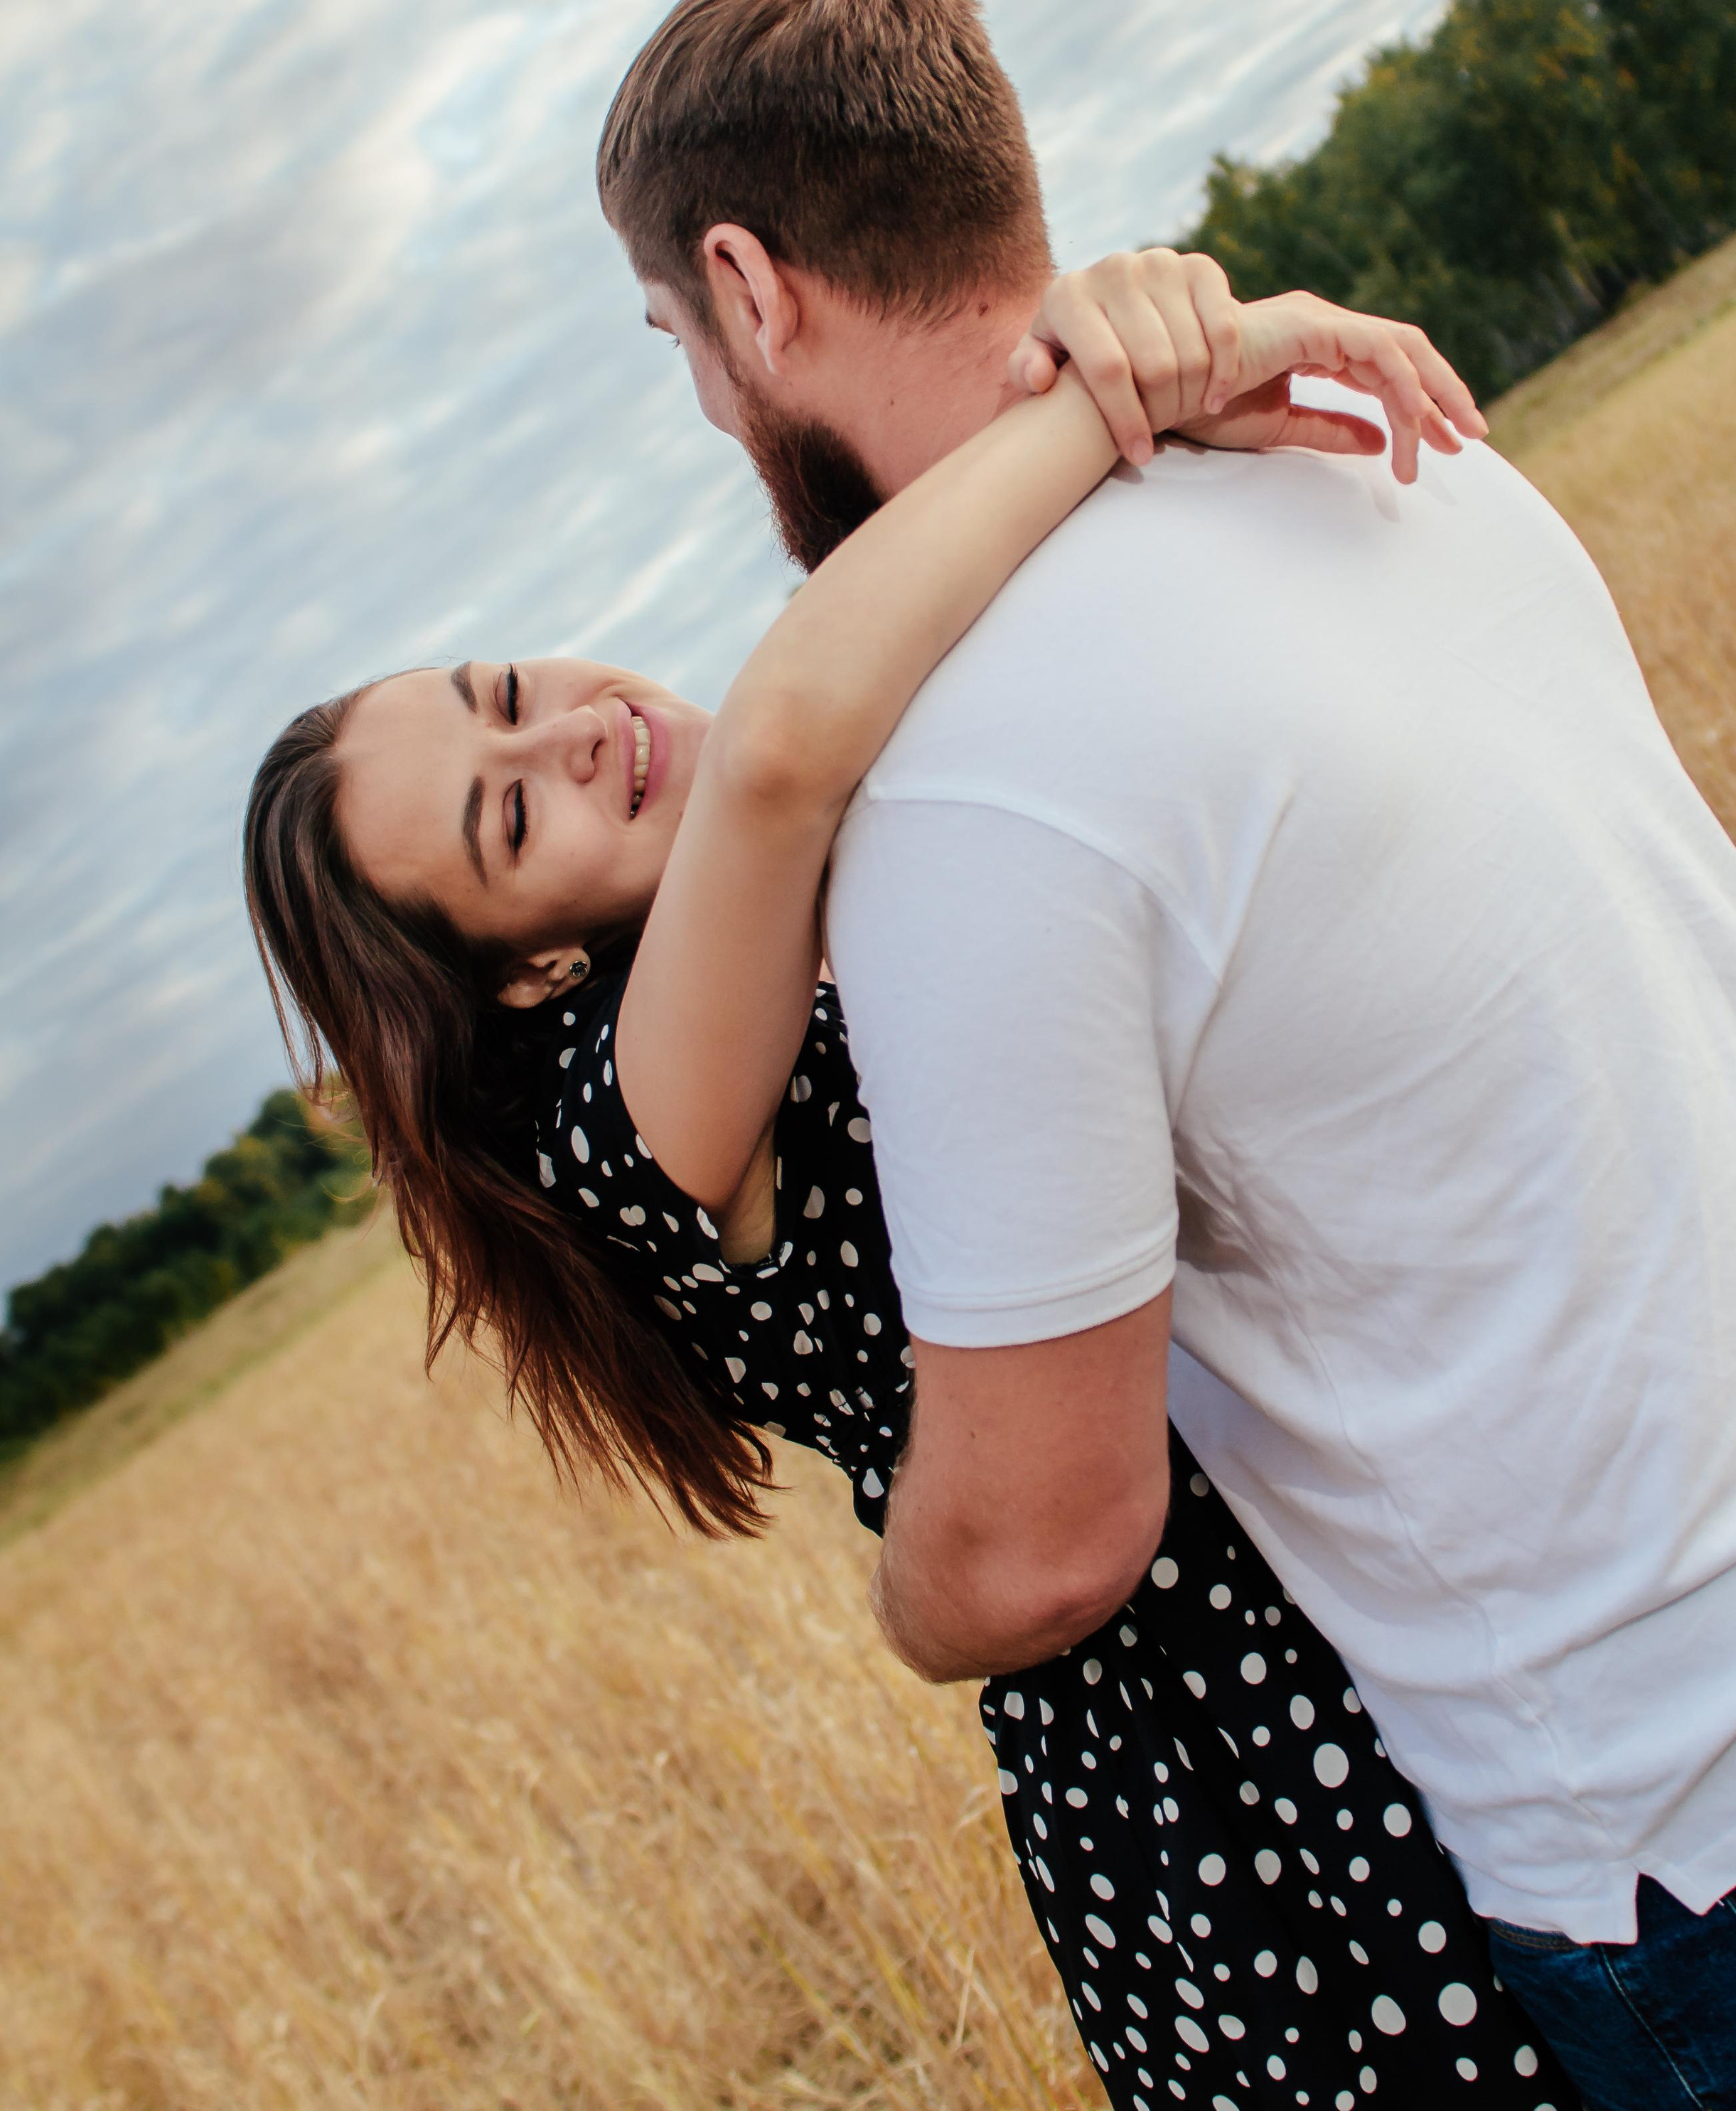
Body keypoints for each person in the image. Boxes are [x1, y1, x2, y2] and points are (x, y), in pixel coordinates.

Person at [594, 0, 1736, 2111]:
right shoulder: (1382, 436)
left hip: (1701, 1818)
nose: (709, 402)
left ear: (748, 289)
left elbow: (1050, 1539)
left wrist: (911, 1595)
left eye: (681, 345)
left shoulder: (963, 786)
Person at [245, 262, 1573, 2108]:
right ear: (527, 972)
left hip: (1340, 1608)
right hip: (1214, 1754)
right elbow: (785, 734)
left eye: (504, 692)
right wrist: (1184, 368)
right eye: (509, 813)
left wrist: (1123, 326)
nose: (567, 731)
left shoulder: (792, 911)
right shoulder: (622, 1128)